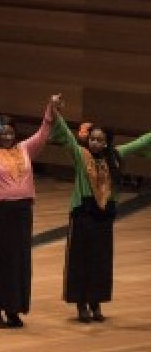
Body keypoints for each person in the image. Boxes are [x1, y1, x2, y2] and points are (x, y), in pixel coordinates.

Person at [50, 105, 151, 323]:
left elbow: (142, 142)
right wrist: (54, 110)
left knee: (100, 260)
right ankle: (81, 303)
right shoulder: (81, 155)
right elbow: (66, 135)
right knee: (81, 259)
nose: (95, 143)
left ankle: (95, 302)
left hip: (104, 215)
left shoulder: (115, 155)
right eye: (92, 139)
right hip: (83, 214)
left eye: (99, 140)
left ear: (106, 142)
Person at [0, 95, 61, 328]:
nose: (7, 136)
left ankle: (13, 308)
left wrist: (50, 107)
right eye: (3, 133)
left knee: (18, 262)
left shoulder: (24, 149)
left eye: (10, 132)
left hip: (21, 214)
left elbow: (43, 132)